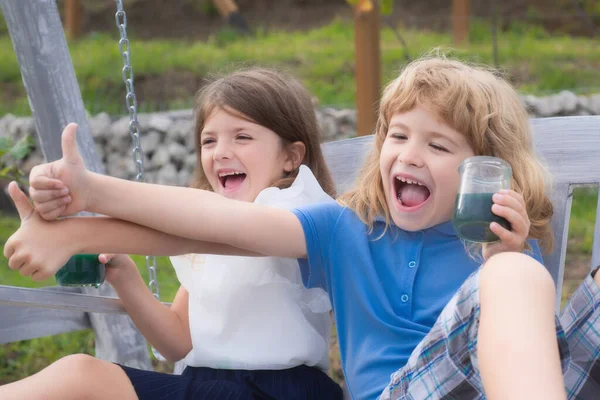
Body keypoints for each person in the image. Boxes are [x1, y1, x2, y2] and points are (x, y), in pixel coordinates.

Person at [5, 56, 600, 399]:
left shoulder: (493, 249)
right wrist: (91, 203)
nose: (408, 155)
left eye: (438, 145)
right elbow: (221, 225)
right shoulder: (345, 231)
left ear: (482, 172)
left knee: (523, 276)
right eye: (395, 136)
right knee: (516, 277)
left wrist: (506, 255)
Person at [1, 68, 344, 400]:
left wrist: (84, 211)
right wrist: (126, 277)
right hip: (207, 385)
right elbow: (178, 341)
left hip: (278, 389)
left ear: (290, 156)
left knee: (80, 378)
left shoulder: (301, 210)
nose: (221, 151)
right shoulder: (202, 229)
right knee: (76, 376)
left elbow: (221, 226)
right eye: (209, 140)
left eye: (242, 136)